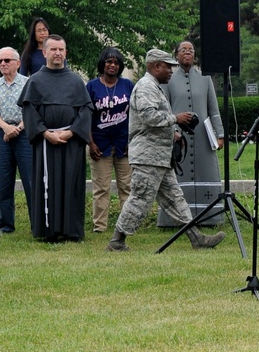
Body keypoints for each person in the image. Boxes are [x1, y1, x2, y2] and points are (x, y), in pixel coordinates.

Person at [106, 48, 223, 252]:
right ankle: (117, 241)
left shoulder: (155, 87)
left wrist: (173, 133)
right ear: (155, 66)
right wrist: (175, 119)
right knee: (140, 199)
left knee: (176, 199)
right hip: (147, 157)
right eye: (167, 66)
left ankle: (197, 238)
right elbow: (149, 117)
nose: (171, 70)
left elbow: (154, 120)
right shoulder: (145, 87)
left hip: (160, 157)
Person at [20, 34, 93, 243]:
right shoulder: (35, 81)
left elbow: (86, 111)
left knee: (71, 184)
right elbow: (29, 112)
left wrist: (71, 132)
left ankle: (71, 230)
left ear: (66, 52)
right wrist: (45, 133)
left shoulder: (76, 81)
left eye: (61, 49)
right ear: (44, 53)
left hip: (71, 141)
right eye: (53, 49)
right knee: (47, 184)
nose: (58, 53)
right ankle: (49, 230)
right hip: (46, 141)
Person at [159, 40, 224, 228]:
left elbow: (214, 109)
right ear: (176, 55)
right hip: (178, 137)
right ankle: (174, 219)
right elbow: (164, 109)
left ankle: (209, 217)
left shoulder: (205, 78)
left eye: (191, 50)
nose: (187, 53)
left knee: (208, 171)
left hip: (204, 137)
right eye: (183, 50)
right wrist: (170, 132)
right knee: (177, 177)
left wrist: (220, 134)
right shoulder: (168, 79)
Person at [0, 46, 33, 233]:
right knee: (4, 182)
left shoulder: (28, 83)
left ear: (18, 63)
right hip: (2, 135)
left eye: (7, 60)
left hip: (25, 133)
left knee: (30, 181)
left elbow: (32, 110)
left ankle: (36, 223)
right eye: (0, 61)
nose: (3, 64)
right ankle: (5, 226)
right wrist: (5, 128)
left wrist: (17, 128)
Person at [87, 47, 133, 235]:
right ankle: (100, 227)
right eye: (109, 61)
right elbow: (86, 117)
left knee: (127, 187)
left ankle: (126, 226)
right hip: (99, 144)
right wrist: (90, 143)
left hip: (124, 145)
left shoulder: (128, 85)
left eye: (116, 62)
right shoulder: (91, 86)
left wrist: (132, 141)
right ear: (103, 64)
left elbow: (135, 115)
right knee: (101, 188)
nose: (112, 65)